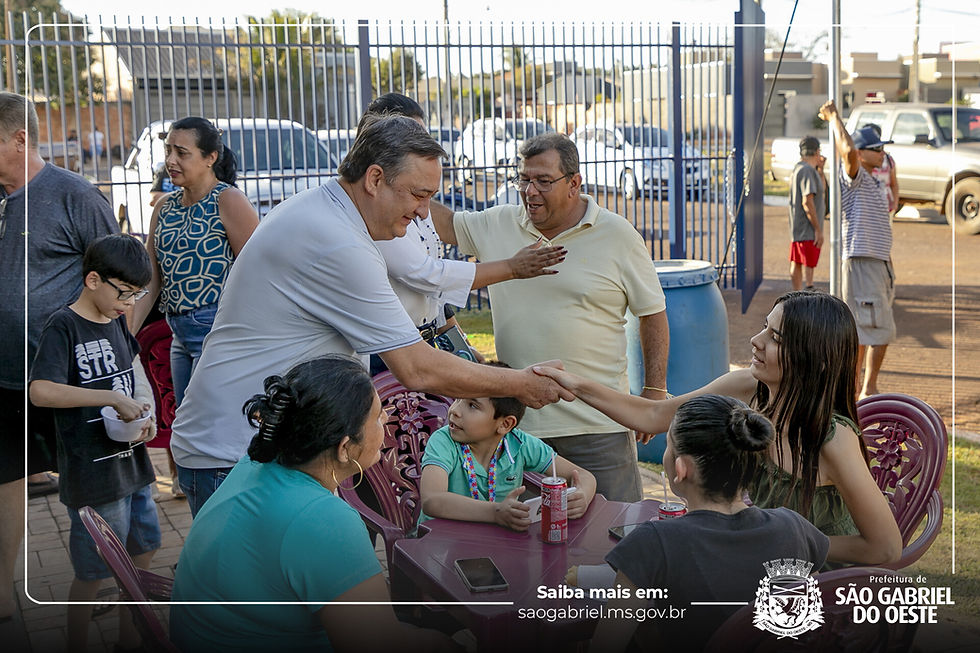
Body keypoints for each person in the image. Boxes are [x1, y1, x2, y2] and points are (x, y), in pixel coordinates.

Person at [169, 114, 570, 516]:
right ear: (375, 179)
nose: (423, 212)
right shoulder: (337, 243)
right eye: (417, 194)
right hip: (235, 450)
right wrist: (519, 383)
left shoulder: (331, 215)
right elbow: (416, 368)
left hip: (257, 443)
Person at [535, 290, 902, 566]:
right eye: (764, 328)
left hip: (817, 588)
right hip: (760, 566)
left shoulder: (832, 440)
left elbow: (885, 548)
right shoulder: (748, 387)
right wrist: (575, 385)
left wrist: (783, 543)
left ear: (815, 360)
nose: (756, 341)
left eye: (776, 337)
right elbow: (652, 416)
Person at [429, 132, 669, 503]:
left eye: (543, 181)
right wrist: (400, 184)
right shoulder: (499, 223)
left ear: (574, 183)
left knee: (613, 540)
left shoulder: (617, 235)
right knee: (528, 546)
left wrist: (654, 390)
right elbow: (444, 224)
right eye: (523, 179)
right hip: (518, 429)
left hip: (598, 425)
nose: (530, 191)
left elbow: (652, 314)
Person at [170, 355, 456, 652]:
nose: (386, 419)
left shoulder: (255, 464)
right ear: (345, 448)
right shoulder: (324, 520)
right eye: (377, 415)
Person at [0, 92, 119, 622]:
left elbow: (121, 280)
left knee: (86, 486)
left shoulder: (74, 196)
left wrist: (117, 356)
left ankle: (96, 586)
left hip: (67, 379)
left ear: (20, 138)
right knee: (5, 480)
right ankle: (4, 592)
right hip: (4, 376)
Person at [589, 394, 829, 653]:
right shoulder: (794, 528)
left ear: (682, 468)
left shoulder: (652, 543)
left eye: (669, 445)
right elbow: (810, 629)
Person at [364, 93, 565, 375]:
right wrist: (512, 268)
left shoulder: (414, 203)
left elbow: (433, 300)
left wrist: (458, 341)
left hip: (424, 345)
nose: (423, 211)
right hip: (387, 360)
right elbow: (427, 275)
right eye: (411, 138)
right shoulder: (374, 212)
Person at [28, 234, 160, 652]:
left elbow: (133, 372)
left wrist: (146, 415)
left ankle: (127, 637)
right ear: (93, 280)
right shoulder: (63, 326)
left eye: (137, 294)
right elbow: (41, 391)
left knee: (144, 550)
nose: (130, 303)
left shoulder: (118, 320)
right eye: (124, 293)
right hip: (92, 474)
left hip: (133, 467)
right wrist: (109, 397)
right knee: (93, 571)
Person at [131, 117, 259, 497]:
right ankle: (206, 529)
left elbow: (259, 271)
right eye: (168, 150)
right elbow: (151, 280)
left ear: (210, 157)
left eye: (181, 152)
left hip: (217, 334)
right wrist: (125, 334)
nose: (170, 160)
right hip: (179, 337)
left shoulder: (228, 200)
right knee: (188, 438)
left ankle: (231, 519)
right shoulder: (165, 207)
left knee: (219, 442)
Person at [419, 361, 596, 528]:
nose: (455, 411)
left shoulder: (520, 444)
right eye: (457, 399)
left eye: (472, 405)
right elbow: (432, 500)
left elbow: (584, 475)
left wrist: (583, 496)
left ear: (505, 424)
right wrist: (496, 513)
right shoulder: (443, 441)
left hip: (494, 543)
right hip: (438, 543)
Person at [818, 100, 896, 399]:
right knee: (869, 332)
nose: (882, 153)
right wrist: (834, 117)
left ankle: (862, 390)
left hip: (877, 263)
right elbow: (847, 151)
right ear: (862, 154)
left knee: (870, 331)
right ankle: (863, 391)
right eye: (877, 149)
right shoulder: (854, 176)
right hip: (862, 263)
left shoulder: (871, 181)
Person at [788, 136, 825, 290]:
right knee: (808, 264)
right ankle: (806, 293)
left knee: (796, 261)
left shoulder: (799, 168)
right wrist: (817, 229)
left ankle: (796, 295)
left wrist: (821, 170)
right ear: (817, 152)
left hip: (798, 228)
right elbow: (807, 200)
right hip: (807, 228)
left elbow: (820, 190)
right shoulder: (807, 171)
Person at [867, 123, 900, 217]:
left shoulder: (888, 160)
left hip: (885, 207)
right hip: (868, 208)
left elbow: (894, 184)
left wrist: (894, 204)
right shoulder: (862, 160)